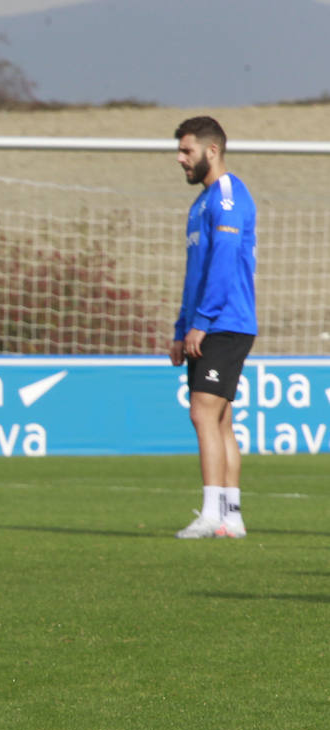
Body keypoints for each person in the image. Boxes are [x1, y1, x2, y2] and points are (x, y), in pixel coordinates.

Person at [169, 117, 257, 539]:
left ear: (212, 151)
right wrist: (180, 327)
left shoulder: (226, 197)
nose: (181, 159)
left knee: (202, 412)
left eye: (187, 151)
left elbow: (222, 266)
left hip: (226, 322)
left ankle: (210, 514)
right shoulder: (201, 202)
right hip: (209, 322)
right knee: (220, 419)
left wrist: (200, 323)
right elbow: (196, 273)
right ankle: (232, 516)